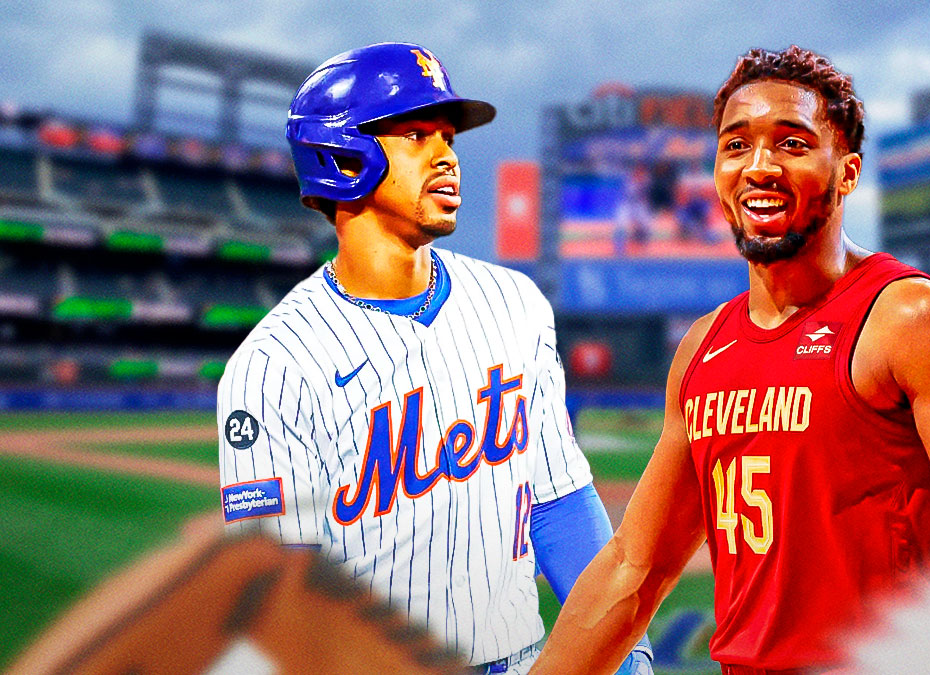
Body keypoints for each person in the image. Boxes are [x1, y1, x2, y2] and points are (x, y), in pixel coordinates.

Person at [531, 46, 930, 674]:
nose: (758, 166)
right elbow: (637, 566)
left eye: (792, 144)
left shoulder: (915, 318)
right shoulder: (703, 347)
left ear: (847, 173)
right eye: (736, 145)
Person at [217, 42, 651, 675]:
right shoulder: (274, 366)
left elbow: (560, 503)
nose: (448, 156)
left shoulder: (514, 304)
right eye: (418, 135)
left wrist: (627, 656)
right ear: (343, 156)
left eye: (448, 137)